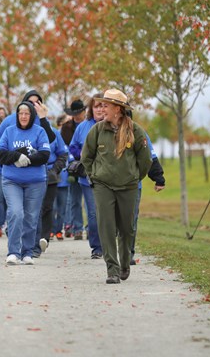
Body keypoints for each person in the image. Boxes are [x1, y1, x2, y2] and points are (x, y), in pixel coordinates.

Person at [81, 89, 151, 284]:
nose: (102, 109)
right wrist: (93, 176)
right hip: (103, 185)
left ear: (118, 109)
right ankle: (112, 269)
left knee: (127, 228)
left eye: (106, 105)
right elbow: (86, 157)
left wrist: (135, 176)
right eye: (101, 105)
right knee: (106, 226)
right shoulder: (96, 130)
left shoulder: (135, 131)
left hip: (128, 186)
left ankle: (125, 263)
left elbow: (145, 160)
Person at [0, 101, 50, 265]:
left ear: (32, 115)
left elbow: (45, 155)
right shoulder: (9, 131)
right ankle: (13, 251)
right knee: (16, 213)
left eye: (27, 113)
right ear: (17, 115)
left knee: (31, 217)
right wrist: (16, 157)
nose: (24, 116)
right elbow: (0, 154)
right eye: (21, 113)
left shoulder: (40, 132)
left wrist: (28, 160)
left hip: (36, 182)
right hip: (12, 181)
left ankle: (27, 252)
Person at [69, 94, 105, 259]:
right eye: (96, 106)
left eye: (103, 106)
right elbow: (73, 147)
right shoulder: (83, 127)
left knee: (108, 212)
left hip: (110, 177)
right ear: (91, 109)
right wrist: (83, 155)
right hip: (88, 177)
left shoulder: (114, 125)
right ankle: (97, 247)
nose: (100, 109)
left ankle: (110, 245)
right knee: (93, 213)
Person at [130, 120, 166, 265]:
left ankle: (127, 253)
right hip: (108, 185)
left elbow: (149, 156)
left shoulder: (138, 132)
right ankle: (111, 253)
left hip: (132, 184)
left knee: (130, 220)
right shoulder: (100, 131)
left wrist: (158, 178)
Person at [33, 124, 67, 257]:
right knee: (33, 207)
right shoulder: (23, 131)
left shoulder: (53, 132)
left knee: (47, 207)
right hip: (31, 174)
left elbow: (63, 154)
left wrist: (54, 170)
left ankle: (44, 238)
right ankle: (32, 239)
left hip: (50, 175)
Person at [61, 99, 87, 240]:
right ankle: (77, 227)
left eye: (79, 113)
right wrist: (75, 155)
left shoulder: (90, 125)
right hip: (73, 167)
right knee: (75, 199)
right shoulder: (66, 127)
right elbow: (65, 147)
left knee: (90, 200)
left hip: (88, 165)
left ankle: (90, 227)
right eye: (74, 113)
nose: (77, 116)